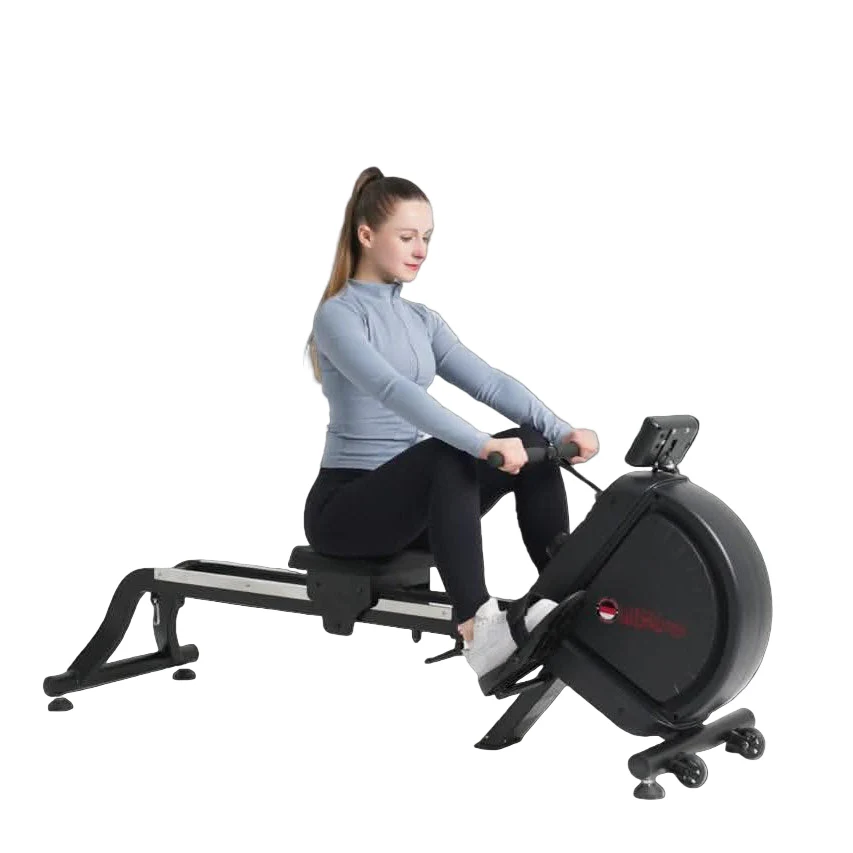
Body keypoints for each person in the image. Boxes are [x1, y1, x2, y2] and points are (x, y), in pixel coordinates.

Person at [303, 166, 599, 685]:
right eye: (407, 237)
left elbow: (490, 383)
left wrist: (560, 432)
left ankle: (560, 595)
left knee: (529, 445)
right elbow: (394, 390)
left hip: (413, 509)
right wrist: (481, 444)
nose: (420, 250)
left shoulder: (422, 320)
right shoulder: (338, 316)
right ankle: (478, 631)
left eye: (427, 238)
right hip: (346, 509)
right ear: (366, 235)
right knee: (447, 452)